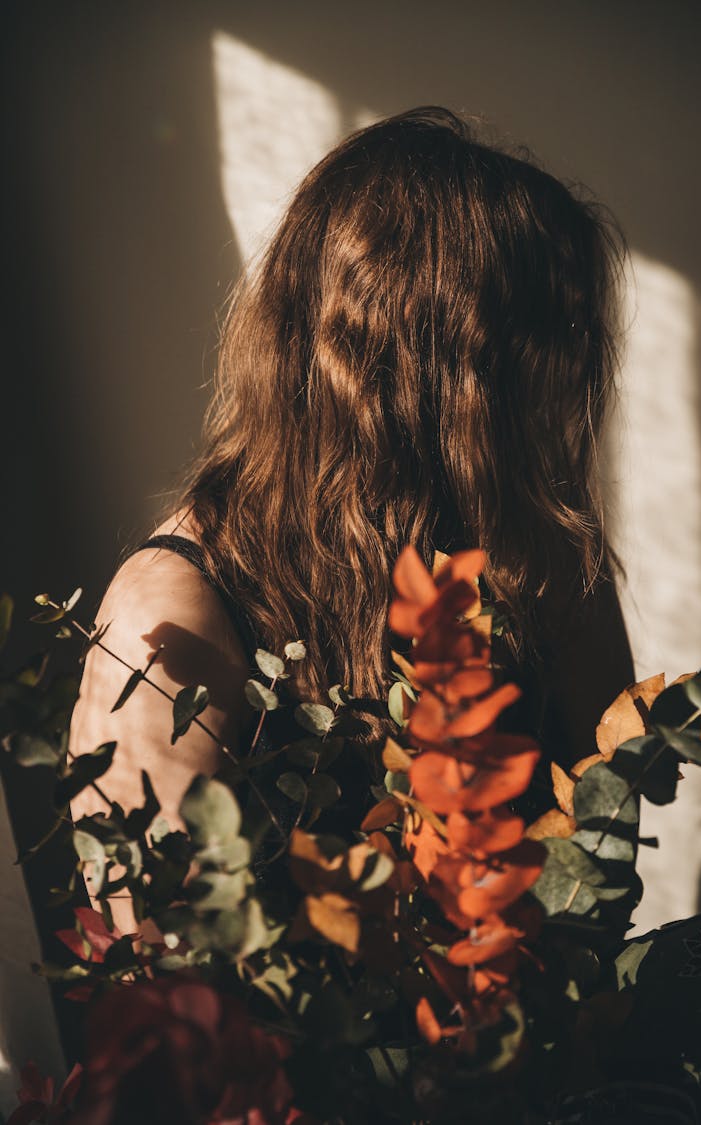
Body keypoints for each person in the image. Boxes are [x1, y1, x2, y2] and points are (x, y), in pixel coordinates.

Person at [68, 106, 634, 924]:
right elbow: (159, 973)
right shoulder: (178, 611)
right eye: (540, 363)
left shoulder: (540, 548)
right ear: (442, 387)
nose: (559, 407)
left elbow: (593, 887)